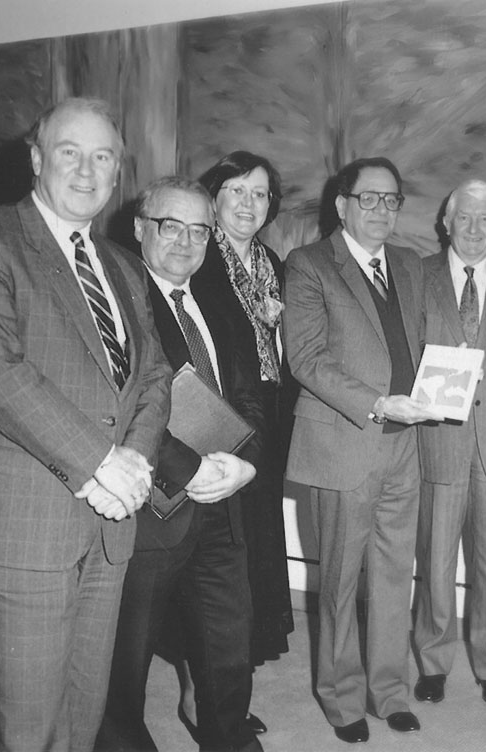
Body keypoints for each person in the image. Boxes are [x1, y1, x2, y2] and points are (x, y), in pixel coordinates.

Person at [0, 98, 172, 751]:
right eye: (70, 152)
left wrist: (134, 468)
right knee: (26, 725)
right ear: (36, 159)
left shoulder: (121, 264)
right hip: (23, 522)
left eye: (104, 157)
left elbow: (153, 377)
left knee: (83, 712)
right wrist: (100, 462)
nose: (88, 170)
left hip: (112, 515)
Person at [99, 177, 262, 752]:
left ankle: (231, 742)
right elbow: (120, 407)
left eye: (200, 230)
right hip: (152, 512)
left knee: (227, 647)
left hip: (223, 506)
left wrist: (246, 465)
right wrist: (187, 468)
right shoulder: (116, 299)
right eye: (172, 226)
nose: (186, 242)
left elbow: (249, 396)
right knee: (126, 660)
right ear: (141, 227)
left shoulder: (217, 303)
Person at [283, 157, 440, 744]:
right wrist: (379, 403)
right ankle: (341, 697)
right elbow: (307, 359)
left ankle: (389, 691)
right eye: (368, 199)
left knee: (396, 575)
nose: (380, 210)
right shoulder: (309, 265)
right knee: (342, 582)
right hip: (346, 442)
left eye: (391, 200)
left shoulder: (408, 264)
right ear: (341, 203)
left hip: (407, 444)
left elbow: (425, 345)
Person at [412, 180, 486, 707]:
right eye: (466, 219)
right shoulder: (415, 276)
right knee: (435, 563)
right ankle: (433, 662)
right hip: (437, 443)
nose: (476, 230)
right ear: (447, 222)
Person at [189, 150, 296, 732]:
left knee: (253, 551)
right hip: (222, 419)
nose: (250, 203)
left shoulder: (270, 261)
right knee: (217, 559)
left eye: (260, 193)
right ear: (214, 198)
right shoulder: (201, 257)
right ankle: (204, 692)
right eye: (237, 190)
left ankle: (228, 686)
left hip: (270, 419)